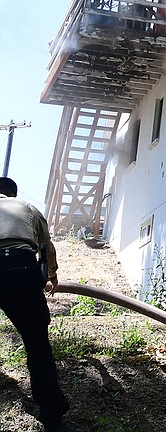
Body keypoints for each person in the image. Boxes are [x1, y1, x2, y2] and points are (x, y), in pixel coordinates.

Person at [0, 177, 72, 432]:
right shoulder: (26, 207)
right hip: (19, 267)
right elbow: (46, 245)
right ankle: (52, 419)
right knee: (37, 345)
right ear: (12, 194)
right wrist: (52, 275)